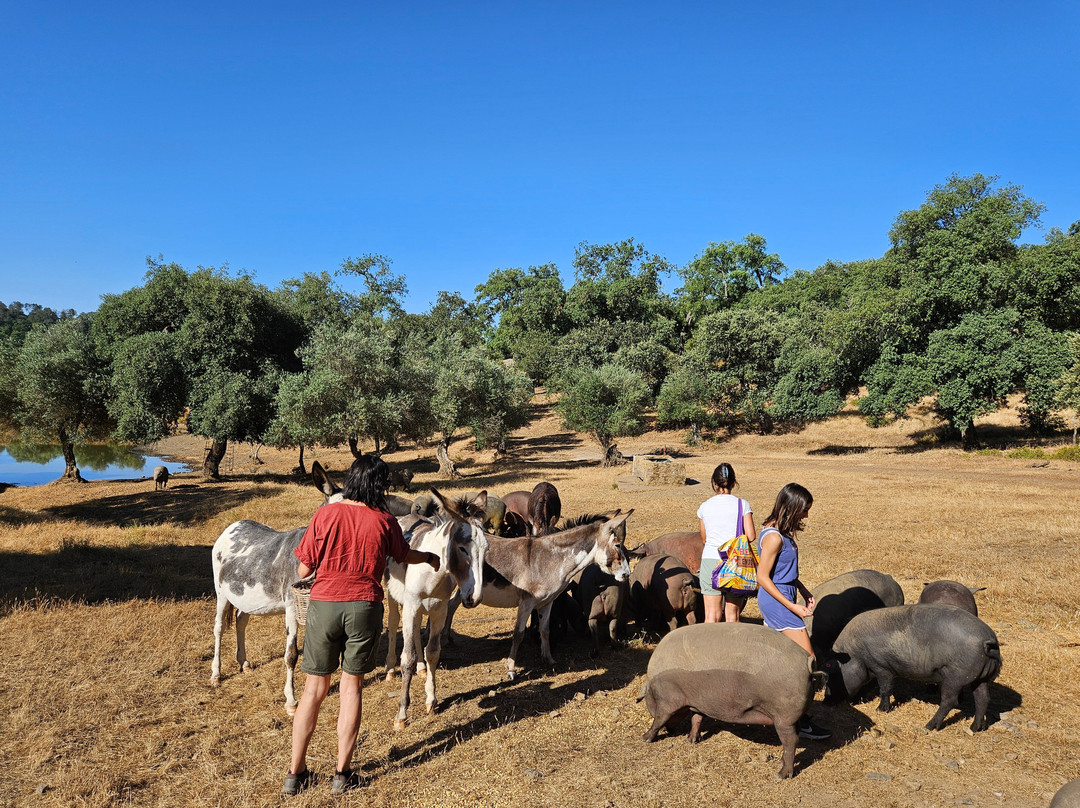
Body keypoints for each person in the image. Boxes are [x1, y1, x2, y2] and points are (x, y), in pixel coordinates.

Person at [283, 455, 440, 796]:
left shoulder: (326, 514)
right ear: (379, 486)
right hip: (364, 607)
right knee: (351, 689)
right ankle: (342, 775)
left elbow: (302, 571)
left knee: (313, 691)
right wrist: (428, 557)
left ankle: (295, 775)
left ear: (351, 479)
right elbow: (403, 555)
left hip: (323, 606)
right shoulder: (384, 519)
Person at [756, 482, 831, 741]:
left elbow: (783, 573)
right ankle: (800, 721)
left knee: (783, 661)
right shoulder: (774, 537)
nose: (807, 516)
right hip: (777, 602)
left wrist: (804, 590)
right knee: (808, 662)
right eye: (805, 510)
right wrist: (792, 607)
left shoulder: (782, 532)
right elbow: (763, 577)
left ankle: (779, 711)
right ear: (792, 507)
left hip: (785, 596)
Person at [697, 463, 756, 623]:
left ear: (714, 483)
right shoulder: (742, 504)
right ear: (733, 483)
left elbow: (704, 539)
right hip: (735, 563)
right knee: (732, 617)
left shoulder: (704, 507)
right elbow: (750, 536)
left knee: (711, 616)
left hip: (710, 561)